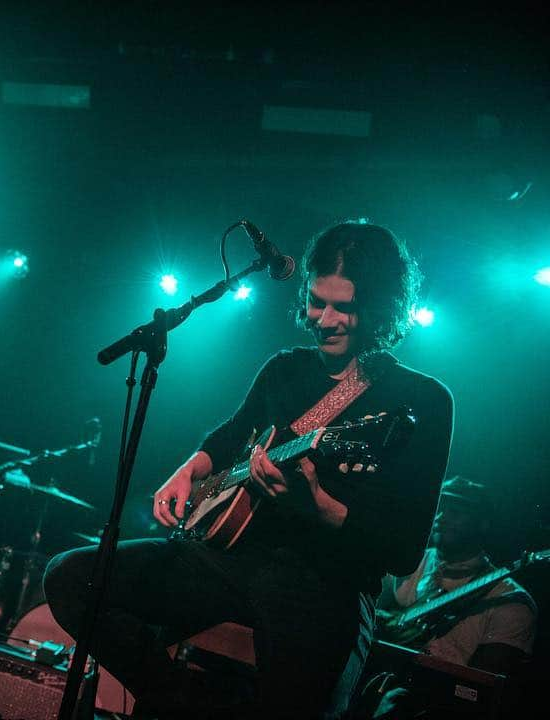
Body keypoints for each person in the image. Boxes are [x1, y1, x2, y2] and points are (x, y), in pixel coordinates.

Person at [43, 220, 454, 719]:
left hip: (326, 586)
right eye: (316, 302)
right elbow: (233, 433)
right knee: (71, 577)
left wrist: (315, 505)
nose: (325, 320)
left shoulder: (422, 400)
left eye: (344, 307)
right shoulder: (284, 368)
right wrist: (192, 467)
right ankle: (180, 706)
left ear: (380, 306)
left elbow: (403, 550)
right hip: (228, 559)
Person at [366, 475, 537, 718]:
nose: (441, 518)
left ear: (483, 523)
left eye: (457, 511)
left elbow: (480, 692)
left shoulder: (511, 601)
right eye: (440, 508)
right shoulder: (404, 564)